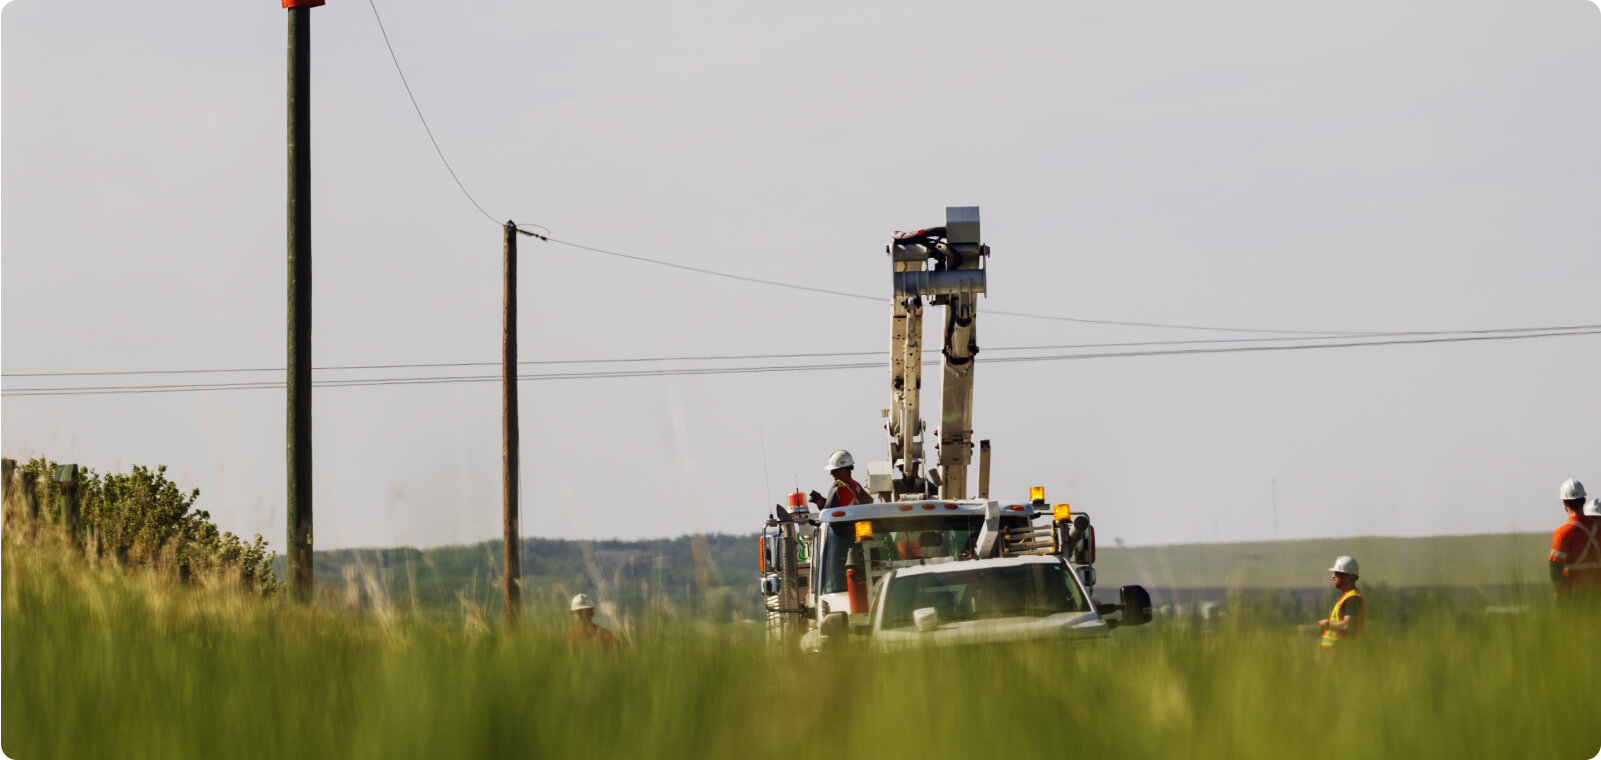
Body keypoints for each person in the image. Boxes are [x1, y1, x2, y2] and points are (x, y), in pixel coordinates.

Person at [1548, 478, 1600, 602]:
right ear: (1584, 501)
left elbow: (1555, 569)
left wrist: (1558, 593)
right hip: (1598, 596)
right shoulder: (1599, 529)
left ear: (1565, 503)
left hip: (1573, 598)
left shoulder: (1563, 533)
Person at [1316, 555, 1364, 652]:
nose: (1333, 576)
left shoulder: (1352, 598)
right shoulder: (1348, 597)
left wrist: (1327, 625)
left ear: (1347, 577)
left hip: (1343, 656)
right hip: (1335, 655)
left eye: (1336, 573)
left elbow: (1347, 626)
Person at [808, 450, 874, 509]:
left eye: (834, 471)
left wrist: (820, 503)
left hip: (843, 522)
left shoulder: (838, 485)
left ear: (843, 470)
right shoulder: (856, 485)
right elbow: (869, 502)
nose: (831, 473)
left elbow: (827, 512)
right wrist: (821, 500)